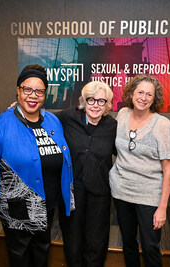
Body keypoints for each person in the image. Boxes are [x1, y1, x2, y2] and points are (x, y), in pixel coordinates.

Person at [0, 64, 74, 267]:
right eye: (27, 89)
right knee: (19, 255)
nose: (33, 95)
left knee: (42, 250)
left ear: (45, 94)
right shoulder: (2, 123)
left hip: (48, 202)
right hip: (18, 205)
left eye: (39, 91)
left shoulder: (53, 120)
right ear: (18, 90)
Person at [109, 74, 170, 267]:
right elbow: (92, 110)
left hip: (149, 195)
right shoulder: (122, 115)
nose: (143, 98)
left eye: (149, 94)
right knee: (128, 243)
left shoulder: (162, 125)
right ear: (131, 94)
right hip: (121, 191)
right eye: (140, 92)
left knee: (150, 246)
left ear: (155, 99)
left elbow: (168, 169)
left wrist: (162, 208)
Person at [57, 81, 117, 267]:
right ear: (84, 100)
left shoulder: (112, 126)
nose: (95, 105)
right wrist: (17, 110)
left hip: (99, 191)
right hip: (72, 189)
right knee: (72, 238)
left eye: (101, 101)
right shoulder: (67, 117)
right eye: (91, 100)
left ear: (107, 104)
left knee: (96, 240)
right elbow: (40, 119)